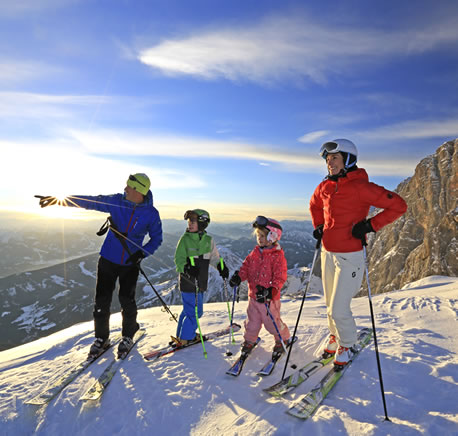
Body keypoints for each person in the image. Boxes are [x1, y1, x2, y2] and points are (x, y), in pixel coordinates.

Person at [36, 173, 163, 357]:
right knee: (102, 300)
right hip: (107, 260)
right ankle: (101, 338)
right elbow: (91, 202)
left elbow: (157, 239)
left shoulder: (151, 214)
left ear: (138, 191)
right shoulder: (117, 201)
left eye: (129, 186)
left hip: (130, 263)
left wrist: (141, 253)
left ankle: (128, 334)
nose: (125, 188)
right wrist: (58, 200)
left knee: (127, 300)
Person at [309, 139, 407, 367]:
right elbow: (314, 205)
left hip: (350, 256)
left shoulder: (361, 187)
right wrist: (318, 226)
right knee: (330, 305)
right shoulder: (324, 186)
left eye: (334, 158)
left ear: (348, 159)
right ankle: (335, 335)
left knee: (339, 307)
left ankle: (347, 343)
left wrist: (370, 226)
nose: (329, 162)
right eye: (327, 159)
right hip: (328, 253)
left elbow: (399, 205)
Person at [229, 216, 291, 355]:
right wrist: (239, 277)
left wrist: (271, 291)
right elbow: (246, 267)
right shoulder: (255, 253)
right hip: (254, 298)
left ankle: (283, 338)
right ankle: (250, 340)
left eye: (262, 235)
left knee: (272, 324)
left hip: (269, 299)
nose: (259, 238)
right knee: (252, 323)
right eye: (258, 235)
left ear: (273, 236)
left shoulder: (277, 255)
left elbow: (280, 277)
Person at [174, 209, 229, 345]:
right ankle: (187, 338)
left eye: (193, 221)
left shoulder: (208, 241)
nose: (190, 224)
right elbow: (178, 259)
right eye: (189, 221)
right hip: (188, 282)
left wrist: (221, 266)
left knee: (188, 310)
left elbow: (215, 258)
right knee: (196, 312)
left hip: (201, 282)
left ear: (202, 223)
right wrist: (186, 268)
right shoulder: (185, 240)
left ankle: (182, 335)